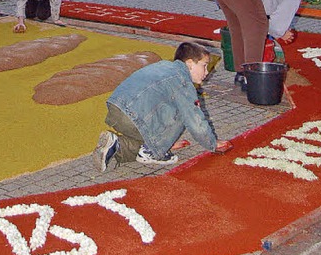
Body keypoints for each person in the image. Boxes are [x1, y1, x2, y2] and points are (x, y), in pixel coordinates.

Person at [92, 42, 233, 172]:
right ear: (190, 63)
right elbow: (195, 120)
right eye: (204, 65)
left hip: (117, 109)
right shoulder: (181, 81)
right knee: (185, 110)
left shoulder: (164, 66)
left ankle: (116, 145)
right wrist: (212, 143)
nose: (207, 72)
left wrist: (168, 141)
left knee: (170, 107)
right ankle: (153, 152)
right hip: (133, 116)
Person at [207, 0, 316, 90]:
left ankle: (241, 73)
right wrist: (282, 33)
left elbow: (263, 8)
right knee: (257, 26)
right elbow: (275, 26)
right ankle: (252, 80)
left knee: (238, 25)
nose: (302, 1)